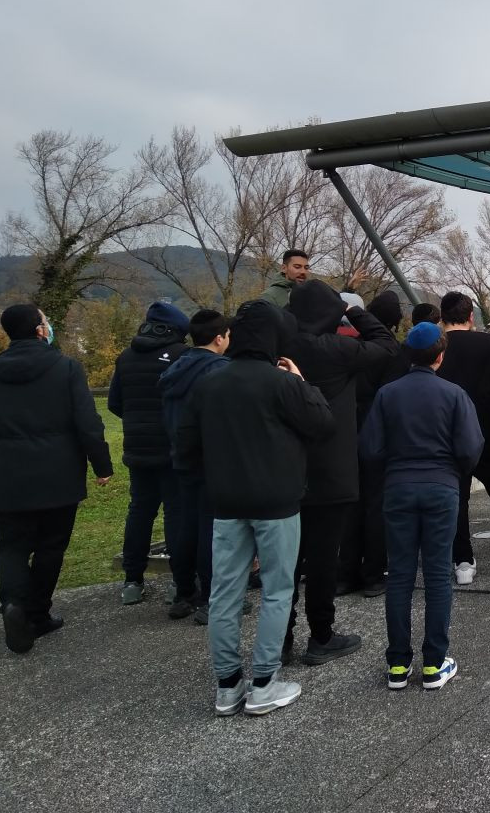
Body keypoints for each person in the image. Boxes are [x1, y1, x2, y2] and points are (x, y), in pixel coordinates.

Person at [176, 300, 334, 716]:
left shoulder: (209, 384)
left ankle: (228, 685)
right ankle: (264, 681)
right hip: (278, 502)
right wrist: (303, 382)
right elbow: (322, 424)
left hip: (226, 504)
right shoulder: (282, 383)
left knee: (224, 593)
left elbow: (186, 450)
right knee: (278, 591)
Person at [0, 305, 113, 653]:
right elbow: (87, 422)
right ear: (40, 330)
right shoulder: (66, 368)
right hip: (58, 471)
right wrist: (101, 465)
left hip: (9, 473)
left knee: (11, 545)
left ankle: (13, 603)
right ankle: (37, 612)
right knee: (51, 545)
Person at [360, 321, 482, 690]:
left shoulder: (387, 394)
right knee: (436, 575)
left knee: (399, 575)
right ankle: (433, 663)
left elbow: (369, 448)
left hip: (397, 487)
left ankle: (397, 665)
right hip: (441, 487)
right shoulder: (455, 394)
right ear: (440, 357)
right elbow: (471, 448)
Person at [283, 279, 396, 665]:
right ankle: (321, 635)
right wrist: (352, 310)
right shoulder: (336, 349)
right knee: (321, 558)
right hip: (331, 466)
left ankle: (279, 638)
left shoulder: (279, 348)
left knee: (285, 560)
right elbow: (385, 344)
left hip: (286, 466)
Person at [432, 291, 490, 583]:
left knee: (457, 500)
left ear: (442, 318)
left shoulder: (437, 348)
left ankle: (463, 561)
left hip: (448, 436)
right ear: (471, 317)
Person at [108, 301, 189, 606]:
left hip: (136, 448)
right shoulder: (181, 356)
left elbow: (115, 402)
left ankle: (132, 580)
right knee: (175, 513)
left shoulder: (126, 357)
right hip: (170, 448)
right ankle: (179, 581)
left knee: (139, 511)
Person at [158, 309, 231, 622]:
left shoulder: (176, 368)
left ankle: (183, 591)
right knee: (212, 529)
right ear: (219, 338)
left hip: (180, 456)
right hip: (211, 459)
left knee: (184, 525)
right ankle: (212, 597)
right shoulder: (220, 370)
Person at [337, 289, 404, 597]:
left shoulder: (341, 347)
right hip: (378, 436)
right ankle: (374, 574)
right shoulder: (389, 352)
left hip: (343, 435)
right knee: (377, 506)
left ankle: (345, 573)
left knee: (349, 505)